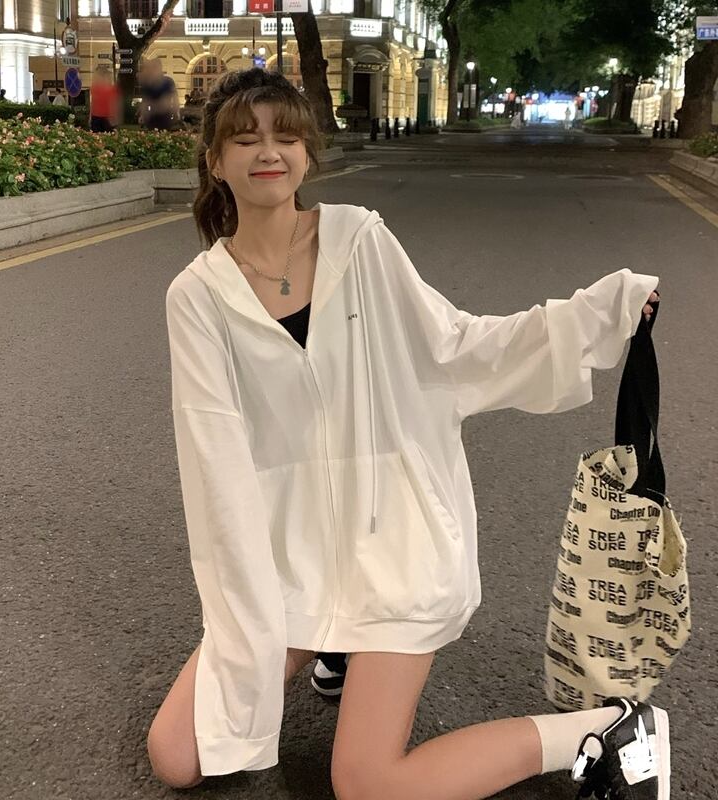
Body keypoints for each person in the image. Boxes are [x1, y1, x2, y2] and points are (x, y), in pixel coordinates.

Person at [148, 67, 665, 799]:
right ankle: (335, 642)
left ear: (308, 154)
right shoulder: (198, 296)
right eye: (245, 139)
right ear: (215, 161)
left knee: (367, 785)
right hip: (292, 558)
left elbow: (452, 348)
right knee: (176, 756)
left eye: (286, 136)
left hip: (395, 547)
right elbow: (214, 462)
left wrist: (593, 318)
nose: (268, 152)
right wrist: (247, 605)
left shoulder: (358, 241)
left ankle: (606, 730)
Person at [138, 57, 179, 130]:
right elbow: (145, 102)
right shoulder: (148, 84)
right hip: (153, 117)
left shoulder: (168, 82)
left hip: (165, 117)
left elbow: (175, 99)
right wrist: (143, 115)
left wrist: (176, 111)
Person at [89, 65, 120, 133]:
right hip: (101, 117)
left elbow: (113, 104)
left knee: (99, 137)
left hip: (103, 118)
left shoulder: (109, 89)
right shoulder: (96, 88)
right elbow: (93, 104)